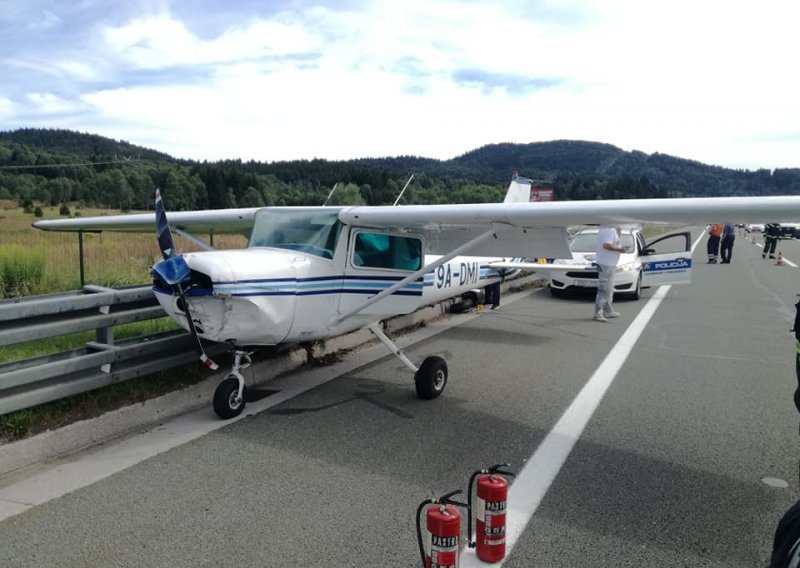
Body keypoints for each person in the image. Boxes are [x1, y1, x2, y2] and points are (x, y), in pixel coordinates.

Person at [593, 225, 626, 322]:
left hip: (609, 263)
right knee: (604, 289)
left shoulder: (610, 229)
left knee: (609, 288)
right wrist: (620, 249)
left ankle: (608, 310)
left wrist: (618, 230)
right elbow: (606, 245)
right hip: (606, 263)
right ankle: (598, 313)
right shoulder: (609, 230)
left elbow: (614, 242)